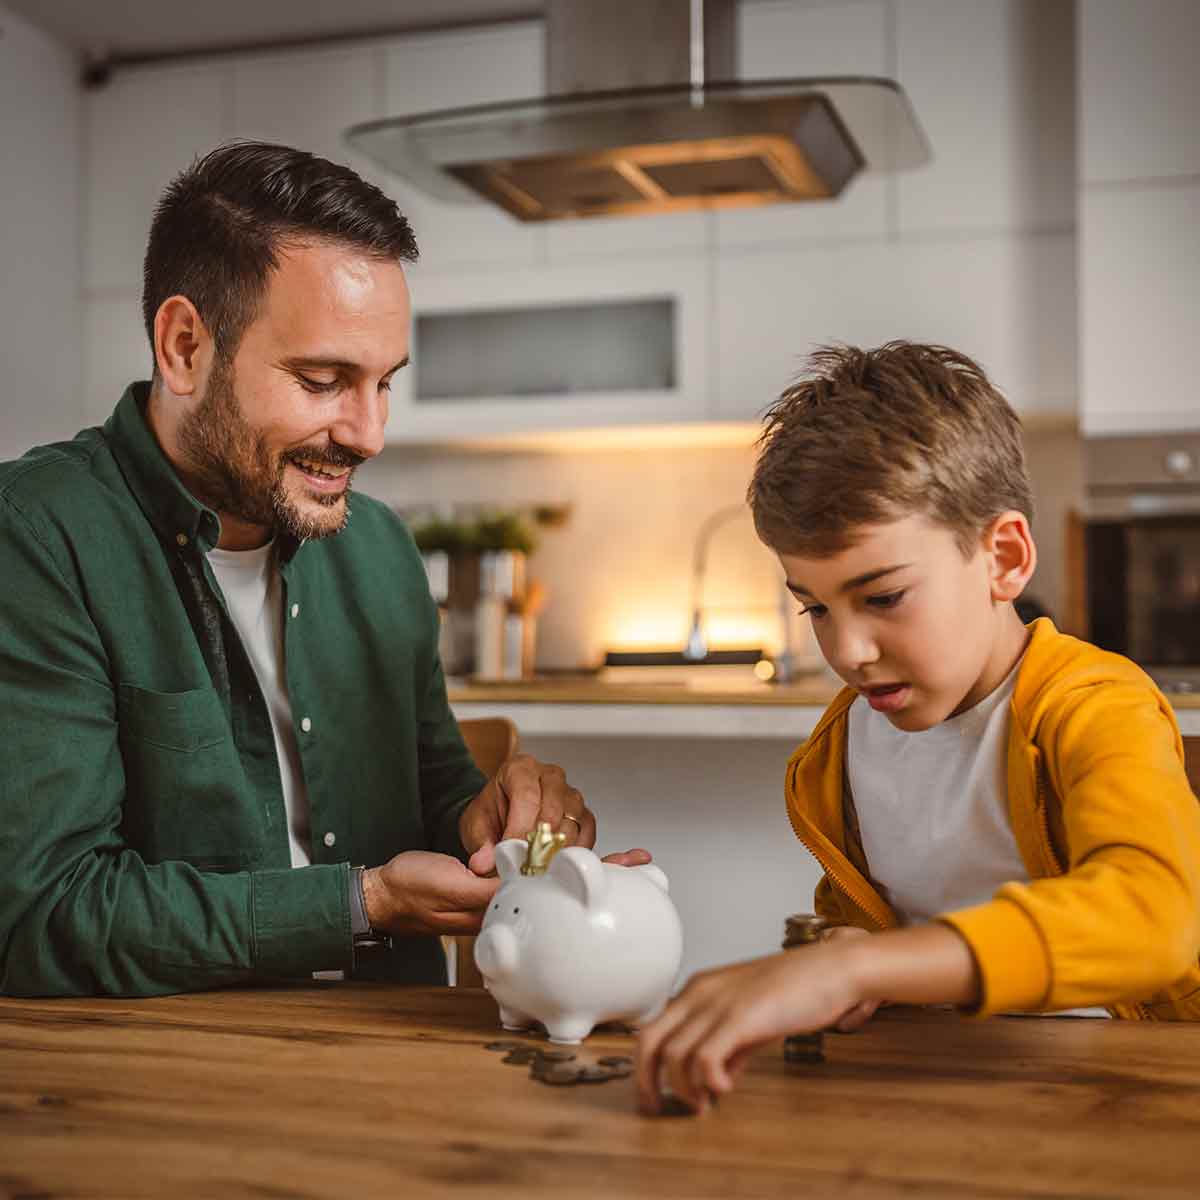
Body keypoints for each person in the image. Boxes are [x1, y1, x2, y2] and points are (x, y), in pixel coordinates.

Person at [0, 140, 645, 997]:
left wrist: (492, 817)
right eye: (322, 379)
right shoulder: (37, 537)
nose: (369, 433)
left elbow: (431, 789)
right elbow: (43, 914)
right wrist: (364, 904)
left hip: (400, 1038)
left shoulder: (378, 545)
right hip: (175, 1059)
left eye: (384, 383)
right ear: (185, 347)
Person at [637, 341, 1200, 1113]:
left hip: (1127, 1093)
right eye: (816, 608)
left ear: (1004, 558)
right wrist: (848, 950)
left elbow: (1152, 920)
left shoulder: (1094, 705)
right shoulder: (837, 751)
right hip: (933, 1089)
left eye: (884, 597)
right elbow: (867, 927)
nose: (848, 651)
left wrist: (856, 969)